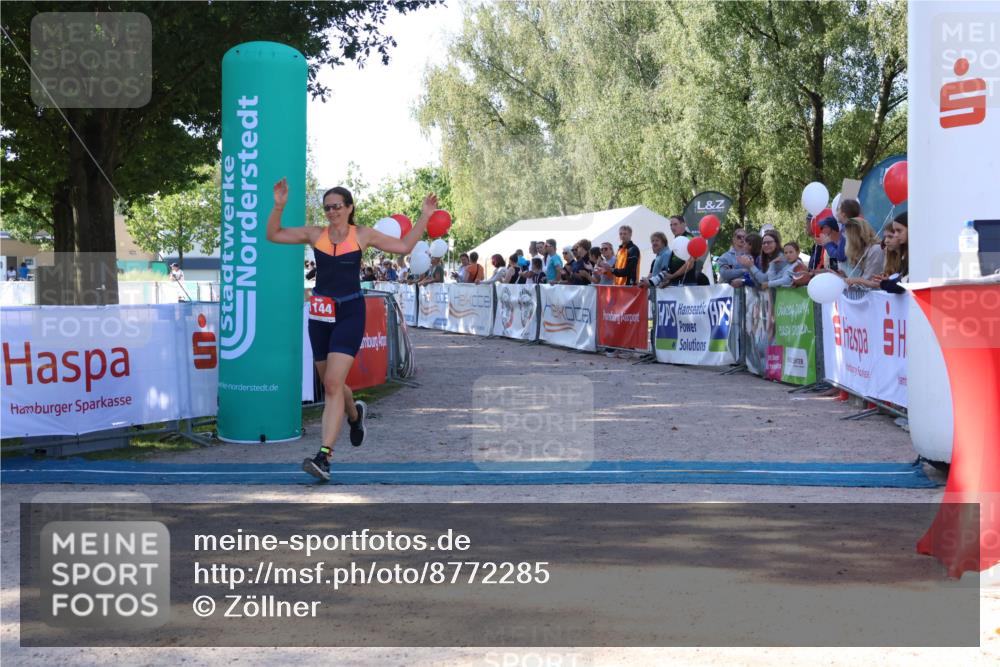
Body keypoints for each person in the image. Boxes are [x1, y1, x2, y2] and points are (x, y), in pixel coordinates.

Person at [266, 178, 437, 481]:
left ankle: (324, 457)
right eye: (327, 207)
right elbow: (274, 235)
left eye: (337, 206)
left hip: (350, 311)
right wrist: (279, 206)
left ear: (349, 208)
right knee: (331, 382)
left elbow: (405, 246)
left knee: (332, 382)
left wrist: (424, 215)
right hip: (320, 313)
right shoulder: (315, 234)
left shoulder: (363, 235)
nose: (331, 211)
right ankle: (355, 416)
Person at [843, 218, 885, 285]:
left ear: (853, 236)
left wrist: (851, 280)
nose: (845, 237)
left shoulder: (876, 250)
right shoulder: (862, 250)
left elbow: (870, 281)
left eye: (846, 234)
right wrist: (843, 276)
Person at [875, 212, 908, 294]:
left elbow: (903, 284)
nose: (896, 235)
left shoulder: (915, 254)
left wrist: (886, 283)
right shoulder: (904, 255)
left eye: (899, 231)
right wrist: (889, 280)